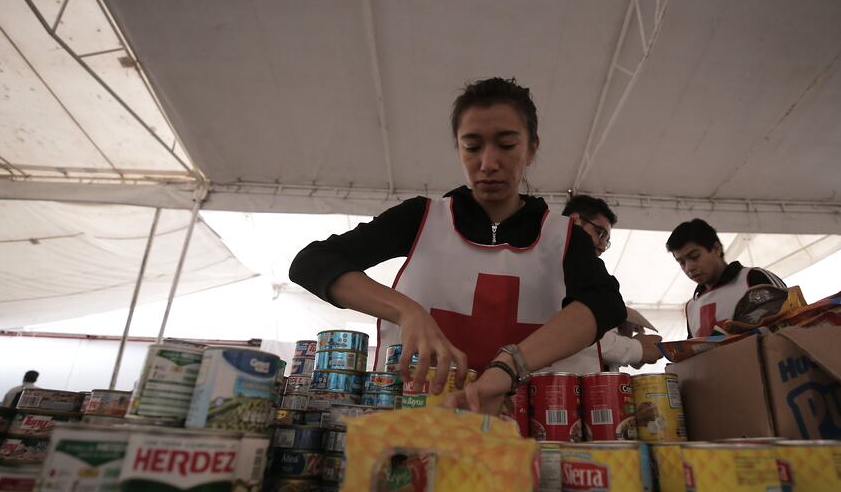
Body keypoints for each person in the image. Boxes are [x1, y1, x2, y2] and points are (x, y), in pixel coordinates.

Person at [290, 77, 626, 414]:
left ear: (532, 148)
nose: (488, 163)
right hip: (421, 423)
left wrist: (510, 364)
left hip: (525, 432)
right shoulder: (420, 217)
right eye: (472, 146)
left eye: (506, 145)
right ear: (458, 147)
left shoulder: (564, 237)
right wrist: (406, 311)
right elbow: (311, 262)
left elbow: (606, 304)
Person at [562, 194, 663, 369]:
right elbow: (572, 334)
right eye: (600, 233)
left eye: (606, 241)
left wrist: (615, 328)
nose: (602, 246)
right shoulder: (556, 266)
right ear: (575, 221)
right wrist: (637, 349)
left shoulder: (581, 271)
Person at [667, 218, 787, 337]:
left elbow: (792, 327)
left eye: (694, 257)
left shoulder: (752, 278)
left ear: (716, 249)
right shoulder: (691, 307)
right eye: (681, 262)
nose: (689, 267)